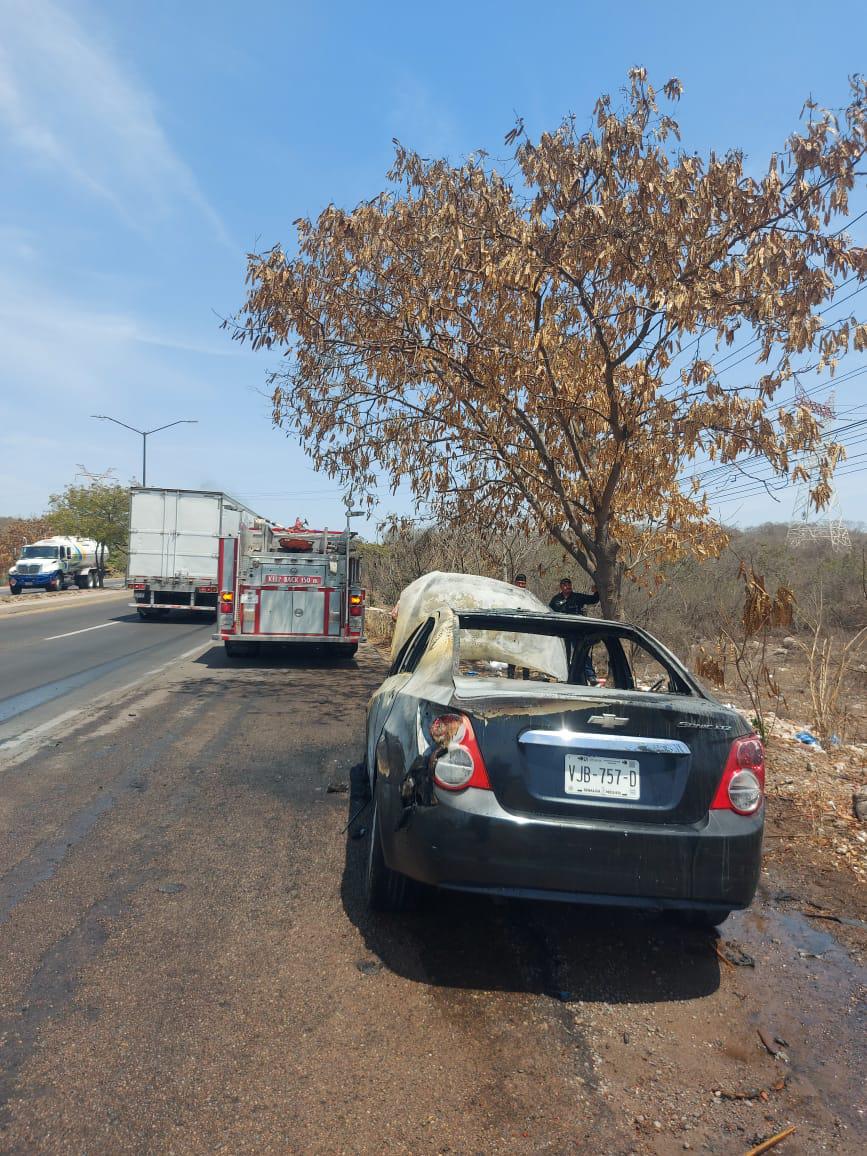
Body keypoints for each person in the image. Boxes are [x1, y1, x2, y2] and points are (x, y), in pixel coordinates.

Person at [549, 578, 600, 683]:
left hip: (577, 631)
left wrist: (597, 591)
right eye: (565, 585)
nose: (568, 587)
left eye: (569, 585)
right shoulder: (556, 599)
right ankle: (564, 676)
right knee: (562, 655)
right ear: (561, 587)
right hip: (561, 632)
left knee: (582, 652)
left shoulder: (578, 597)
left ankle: (591, 676)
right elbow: (549, 611)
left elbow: (593, 600)